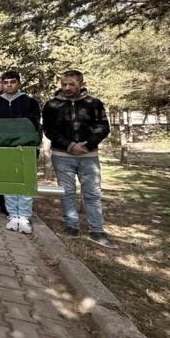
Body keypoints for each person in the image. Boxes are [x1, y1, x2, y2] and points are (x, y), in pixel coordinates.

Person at [43, 70, 117, 248]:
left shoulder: (94, 103)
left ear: (82, 84)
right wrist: (69, 145)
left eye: (72, 84)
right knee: (67, 192)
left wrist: (87, 146)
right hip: (62, 155)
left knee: (92, 193)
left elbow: (103, 128)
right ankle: (71, 227)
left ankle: (96, 231)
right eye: (64, 84)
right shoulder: (52, 105)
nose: (67, 88)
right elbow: (49, 130)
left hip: (88, 156)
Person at [0, 71, 40, 234]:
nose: (9, 85)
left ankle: (24, 216)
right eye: (6, 82)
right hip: (5, 149)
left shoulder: (30, 102)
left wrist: (22, 140)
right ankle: (12, 214)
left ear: (19, 83)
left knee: (25, 182)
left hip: (25, 148)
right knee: (9, 182)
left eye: (12, 82)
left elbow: (33, 124)